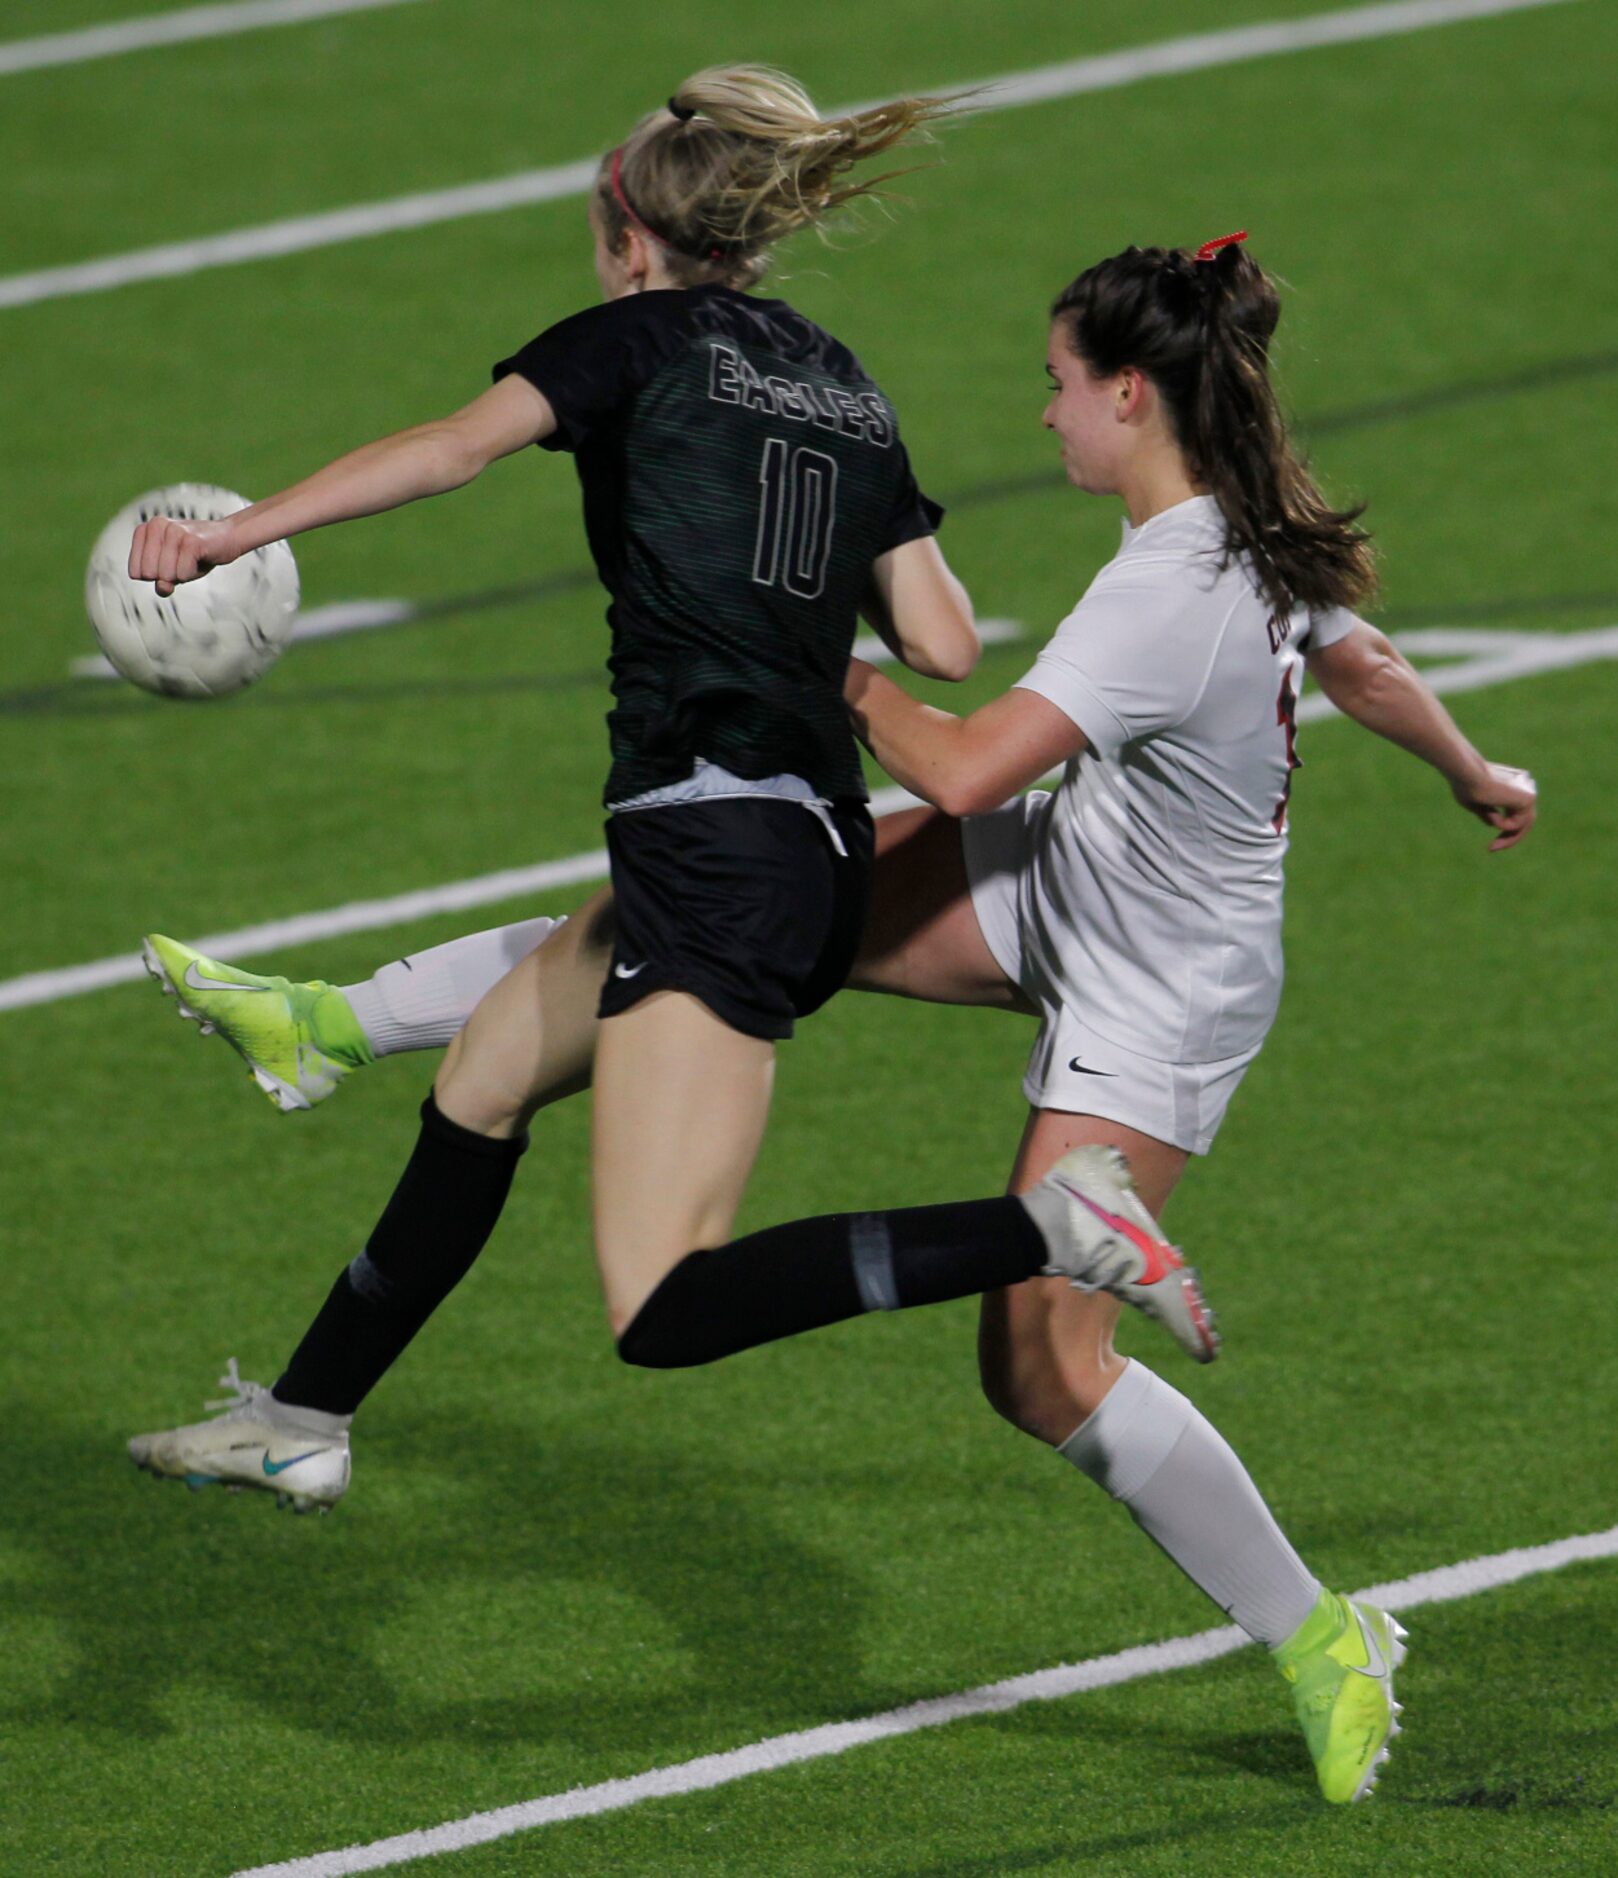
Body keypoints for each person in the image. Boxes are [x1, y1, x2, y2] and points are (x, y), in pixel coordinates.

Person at [129, 216, 1538, 1800]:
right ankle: (331, 1023)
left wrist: (806, 651)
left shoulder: (1164, 591)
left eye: (1060, 384)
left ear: (1135, 397)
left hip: (1163, 983)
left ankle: (1319, 1629)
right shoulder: (1233, 529)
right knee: (717, 892)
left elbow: (957, 760)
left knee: (1036, 1366)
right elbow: (1361, 662)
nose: (1043, 411)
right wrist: (1468, 765)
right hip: (1067, 873)